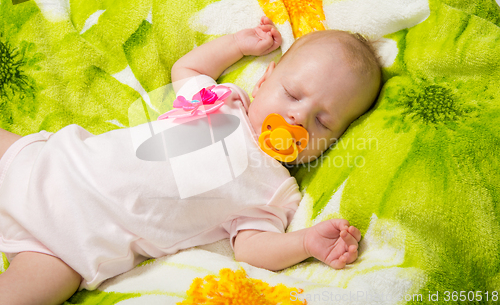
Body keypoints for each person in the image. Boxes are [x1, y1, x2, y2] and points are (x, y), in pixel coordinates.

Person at [0, 16, 381, 304]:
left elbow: (251, 248)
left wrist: (305, 242)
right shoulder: (221, 101)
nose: (299, 118)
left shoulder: (275, 189)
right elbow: (188, 69)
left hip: (70, 247)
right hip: (50, 163)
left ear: (333, 142)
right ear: (264, 81)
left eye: (323, 121)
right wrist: (237, 44)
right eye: (293, 95)